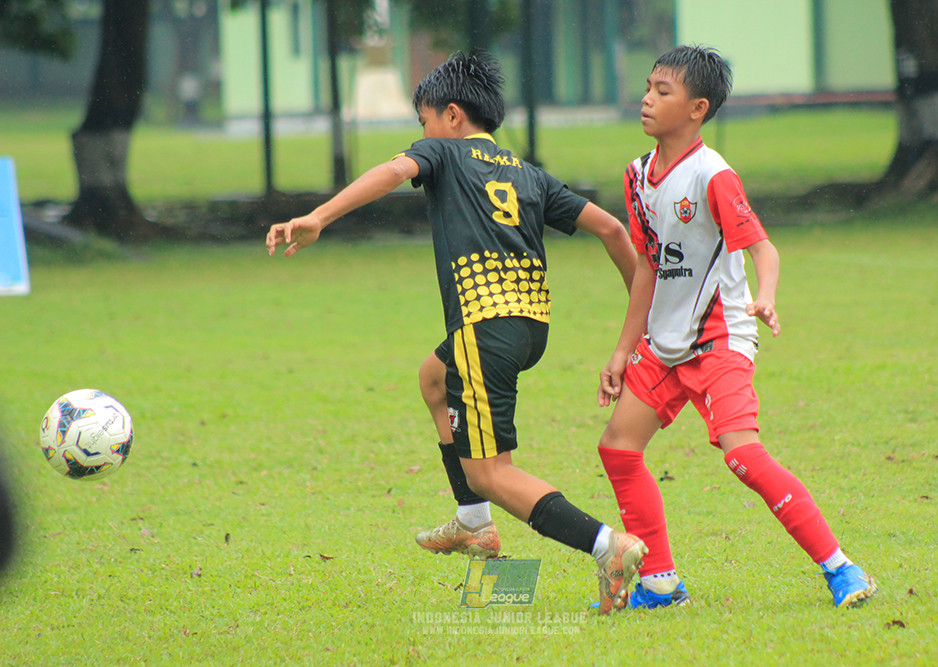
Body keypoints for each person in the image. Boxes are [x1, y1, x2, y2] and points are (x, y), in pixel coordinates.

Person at [266, 51, 644, 613]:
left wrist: (319, 216)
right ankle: (474, 525)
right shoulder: (529, 173)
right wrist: (643, 306)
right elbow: (613, 229)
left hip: (484, 328)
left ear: (449, 115)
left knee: (492, 473)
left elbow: (394, 172)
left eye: (421, 123)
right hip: (529, 325)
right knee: (433, 379)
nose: (420, 136)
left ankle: (606, 546)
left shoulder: (441, 151)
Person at [595, 45, 878, 610]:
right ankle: (660, 584)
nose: (648, 99)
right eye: (648, 87)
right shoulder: (636, 176)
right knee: (619, 450)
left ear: (697, 108)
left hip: (720, 337)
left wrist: (765, 297)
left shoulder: (713, 174)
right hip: (663, 344)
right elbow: (649, 267)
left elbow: (763, 248)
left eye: (663, 91)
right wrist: (623, 350)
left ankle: (843, 569)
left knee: (742, 455)